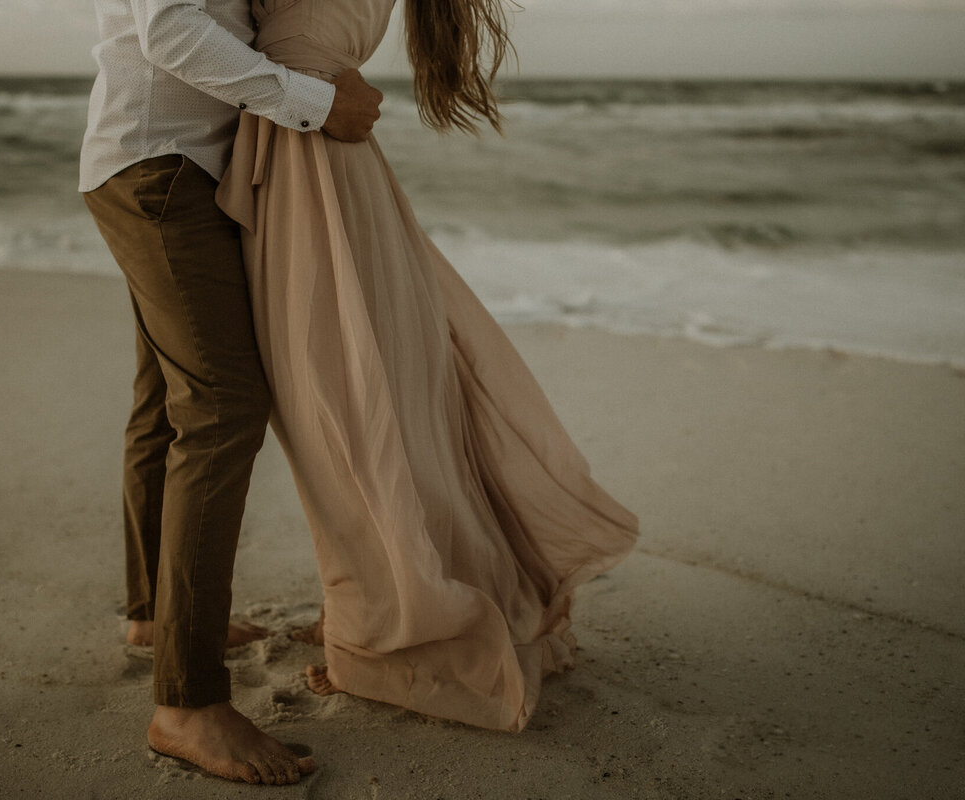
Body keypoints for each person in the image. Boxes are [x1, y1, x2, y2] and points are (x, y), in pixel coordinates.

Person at [217, 0, 637, 749]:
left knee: (337, 408)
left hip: (309, 153)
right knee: (360, 402)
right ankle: (374, 605)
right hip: (321, 152)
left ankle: (384, 624)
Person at [79, 0, 383, 786]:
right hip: (163, 165)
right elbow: (171, 27)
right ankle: (185, 703)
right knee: (223, 407)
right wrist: (314, 103)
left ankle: (154, 616)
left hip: (167, 162)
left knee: (167, 400)